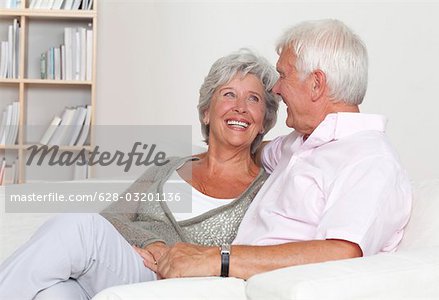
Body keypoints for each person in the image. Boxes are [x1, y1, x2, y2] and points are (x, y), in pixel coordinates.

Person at [0, 49, 280, 299]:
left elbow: (248, 258)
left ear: (264, 121)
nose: (240, 107)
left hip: (175, 286)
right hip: (125, 269)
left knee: (79, 228)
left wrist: (167, 251)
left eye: (253, 99)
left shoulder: (266, 188)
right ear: (207, 112)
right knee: (54, 292)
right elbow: (112, 218)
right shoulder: (166, 167)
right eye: (229, 94)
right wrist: (150, 242)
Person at [154, 19, 412, 280]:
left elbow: (342, 253)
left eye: (283, 75)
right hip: (226, 280)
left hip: (255, 285)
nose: (276, 89)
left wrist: (218, 259)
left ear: (316, 84)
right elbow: (251, 150)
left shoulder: (370, 159)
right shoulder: (303, 142)